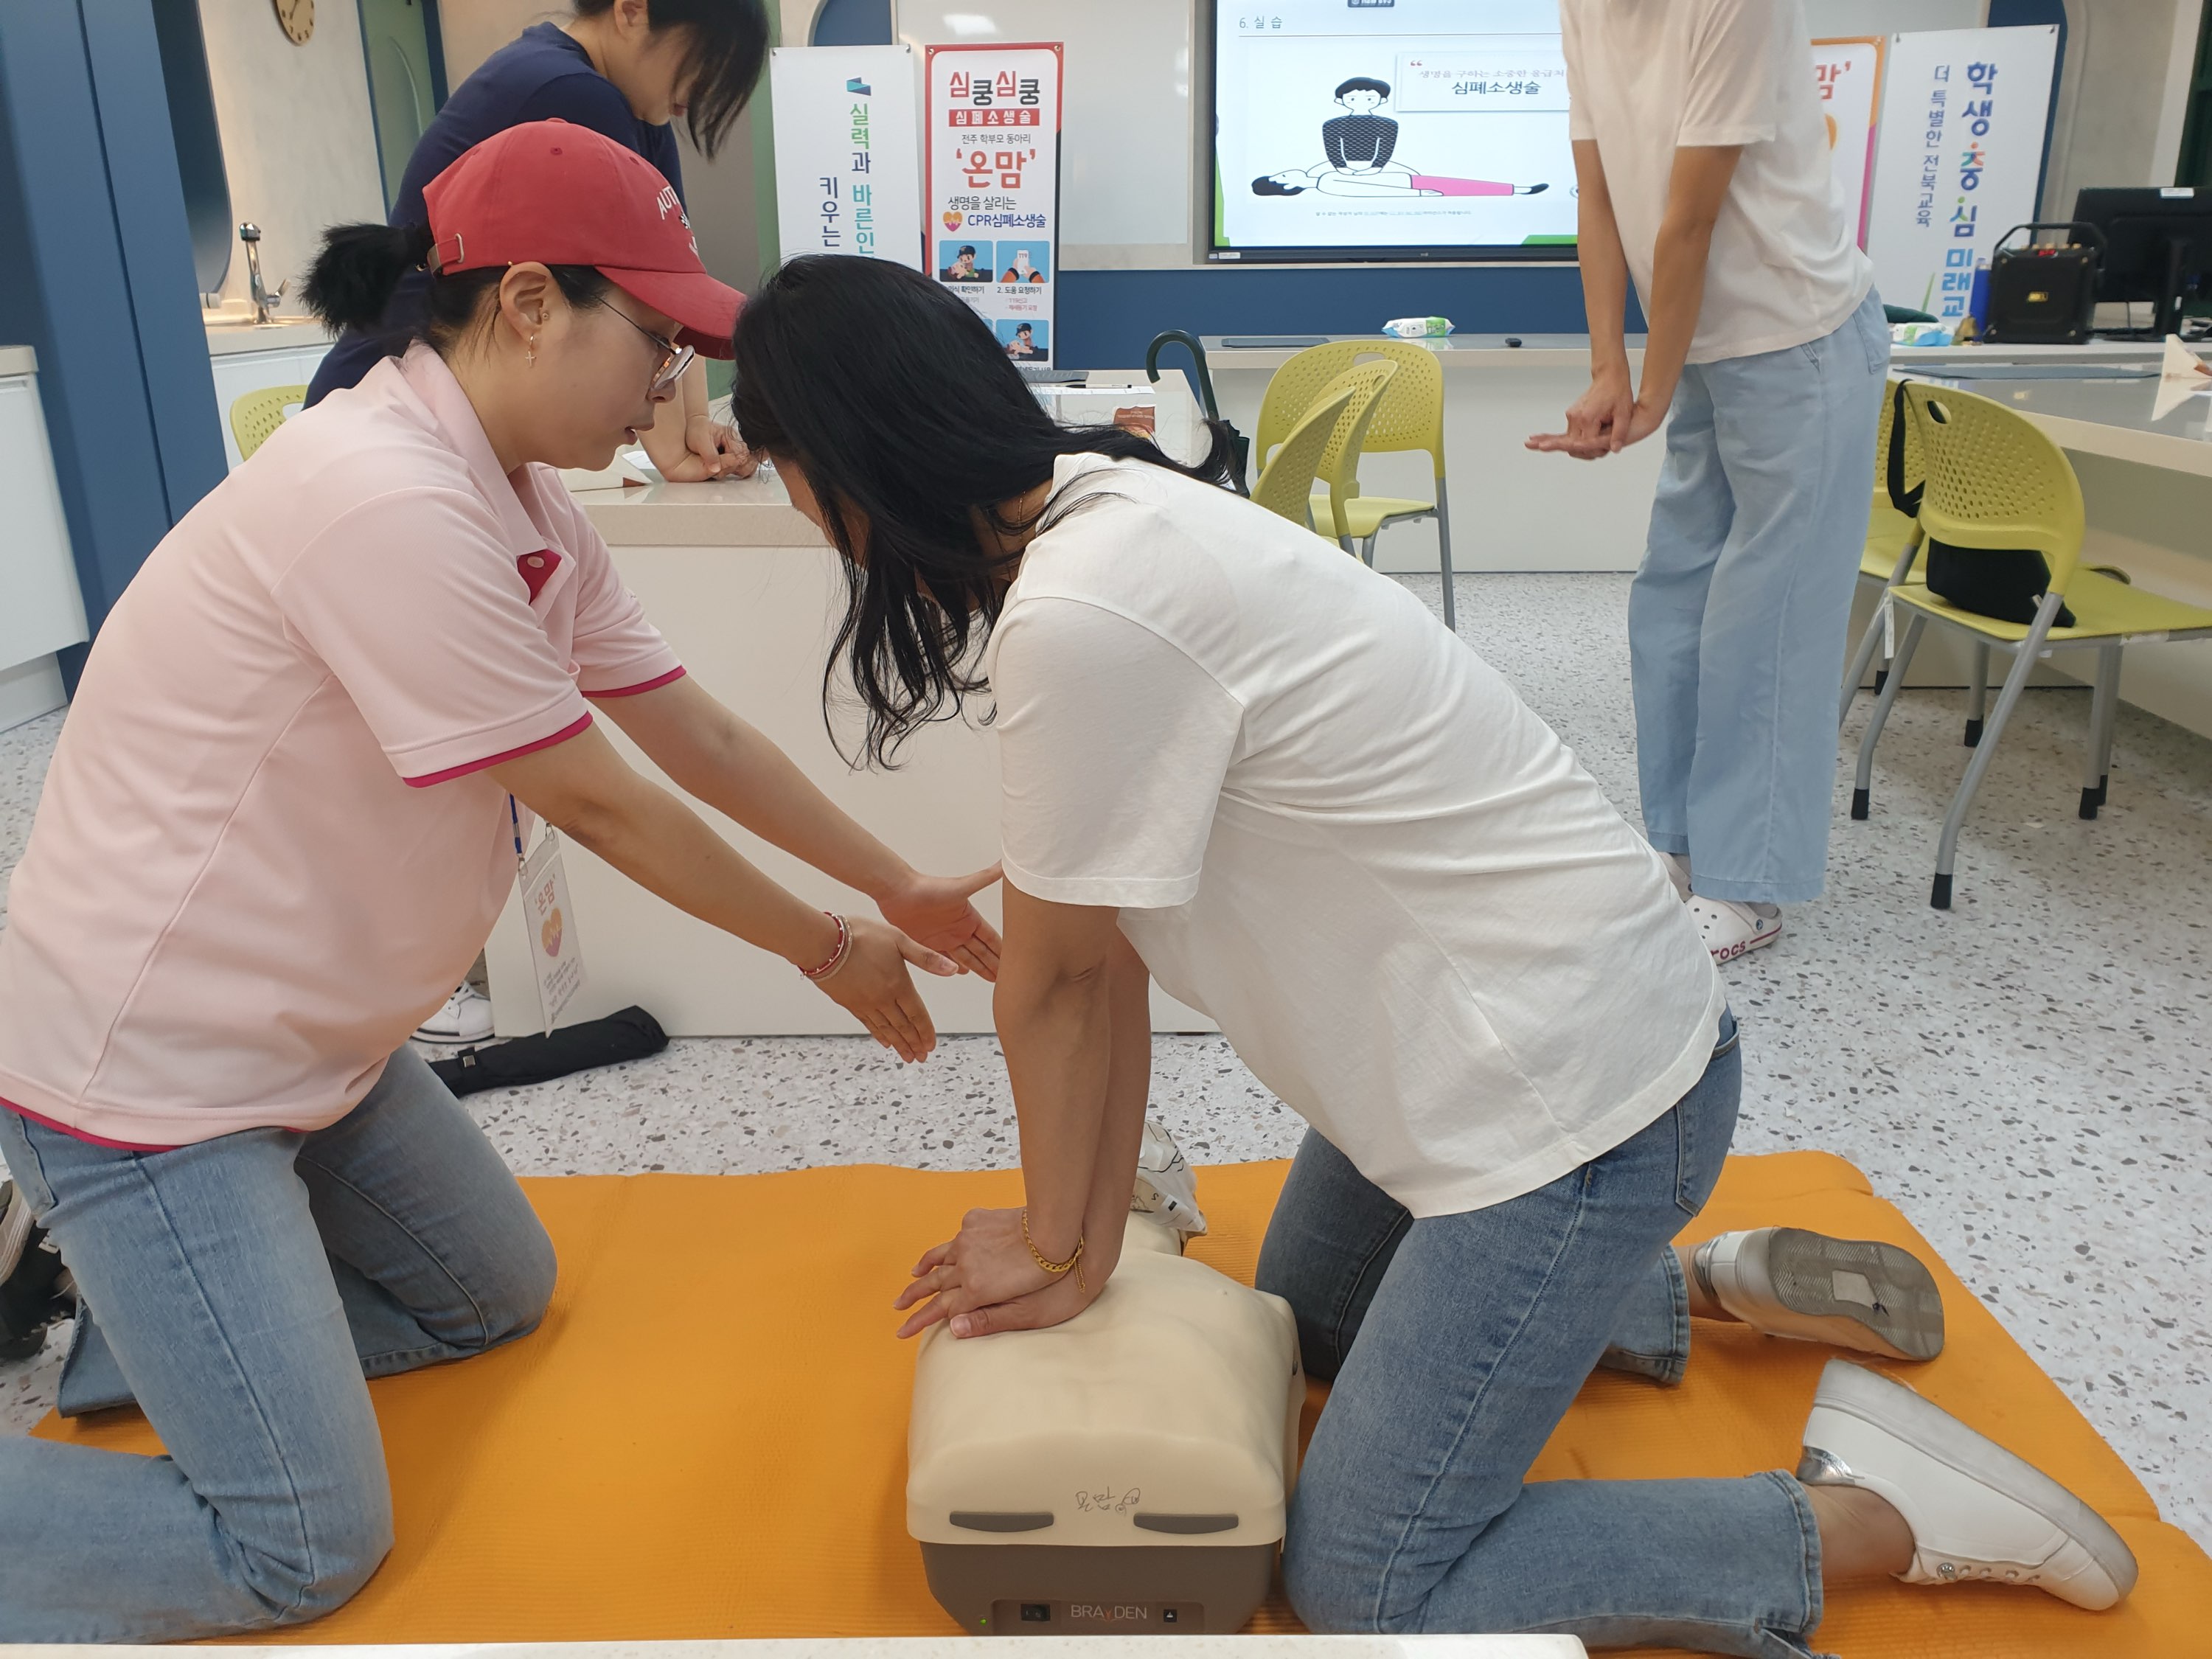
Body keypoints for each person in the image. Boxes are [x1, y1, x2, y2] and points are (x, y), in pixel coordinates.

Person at [729, 255, 2139, 1655]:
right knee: (1305, 1329)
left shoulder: (1082, 610)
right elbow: (1107, 966)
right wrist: (1076, 1241)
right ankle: (1697, 1288)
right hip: (1522, 1051)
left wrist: (1058, 1245)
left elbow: (1061, 983)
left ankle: (1873, 1512)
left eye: (786, 468)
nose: (801, 514)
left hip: (1572, 1112)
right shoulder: (1123, 508)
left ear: (851, 458)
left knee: (1369, 1582)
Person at [0, 126, 998, 1643]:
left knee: (493, 1296)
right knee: (300, 1547)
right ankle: (201, 1328)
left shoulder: (528, 503)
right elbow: (599, 801)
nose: (675, 389)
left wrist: (899, 882)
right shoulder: (383, 497)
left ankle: (171, 1339)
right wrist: (829, 949)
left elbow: (693, 730)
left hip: (318, 1051)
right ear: (528, 302)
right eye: (657, 345)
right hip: (154, 1078)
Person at [1528, 0, 1888, 963]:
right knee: (1672, 605)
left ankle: (1749, 885)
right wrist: (1610, 368)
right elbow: (1599, 197)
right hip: (1708, 347)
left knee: (1762, 622)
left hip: (1799, 341)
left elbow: (1688, 220)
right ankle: (1684, 851)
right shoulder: (1583, 8)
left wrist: (1651, 386)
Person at [304, 0, 765, 488]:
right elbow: (636, 292)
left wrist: (693, 425)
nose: (706, 89)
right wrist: (673, 451)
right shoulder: (573, 92)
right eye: (706, 59)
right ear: (632, 10)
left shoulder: (636, 110)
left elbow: (674, 284)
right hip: (398, 405)